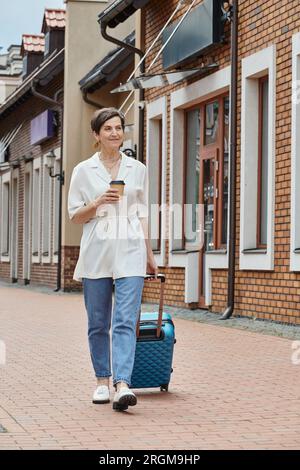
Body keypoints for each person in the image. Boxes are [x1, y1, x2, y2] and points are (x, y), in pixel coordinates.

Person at [68, 107, 158, 411]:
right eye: (108, 128)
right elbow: (75, 216)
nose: (115, 133)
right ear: (96, 134)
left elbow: (142, 213)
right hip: (96, 253)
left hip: (130, 252)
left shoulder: (138, 169)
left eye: (119, 127)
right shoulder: (83, 171)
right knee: (97, 322)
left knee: (125, 320)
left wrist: (149, 254)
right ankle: (101, 382)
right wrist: (97, 202)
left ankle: (122, 384)